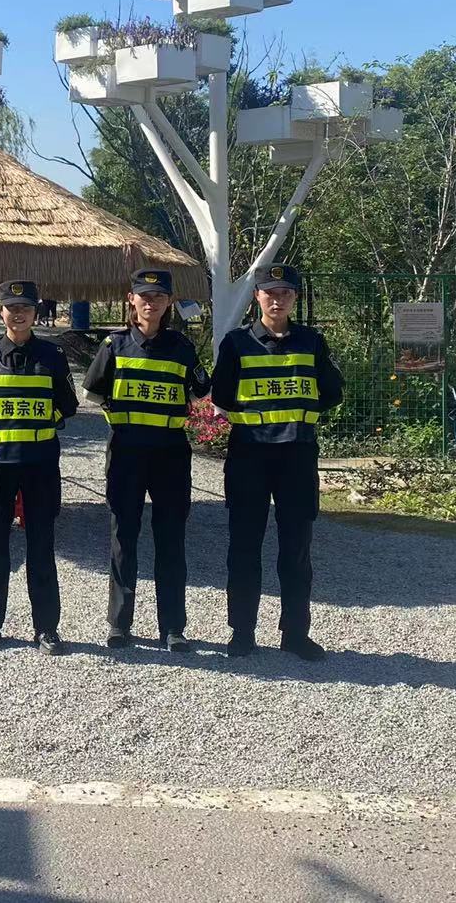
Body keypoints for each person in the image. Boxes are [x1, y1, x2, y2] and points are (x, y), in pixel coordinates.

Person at [210, 264, 343, 661]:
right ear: (257, 296)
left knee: (296, 550)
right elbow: (223, 394)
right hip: (249, 456)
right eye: (270, 292)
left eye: (285, 292)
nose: (277, 299)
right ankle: (242, 632)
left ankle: (295, 634)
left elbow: (332, 392)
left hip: (297, 457)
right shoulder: (236, 343)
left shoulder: (312, 342)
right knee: (244, 547)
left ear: (295, 298)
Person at [82, 269, 209, 651]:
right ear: (131, 299)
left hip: (170, 457)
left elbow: (200, 390)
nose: (151, 302)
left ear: (169, 302)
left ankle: (173, 628)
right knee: (123, 537)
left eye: (159, 296)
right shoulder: (115, 346)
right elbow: (92, 393)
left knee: (171, 540)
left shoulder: (181, 347)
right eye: (144, 296)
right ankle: (119, 624)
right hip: (127, 453)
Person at [0, 280, 78, 654]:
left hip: (40, 464)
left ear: (36, 312)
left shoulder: (52, 356)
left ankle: (46, 628)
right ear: (1, 312)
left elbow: (68, 405)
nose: (19, 313)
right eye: (12, 307)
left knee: (41, 545)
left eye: (26, 307)